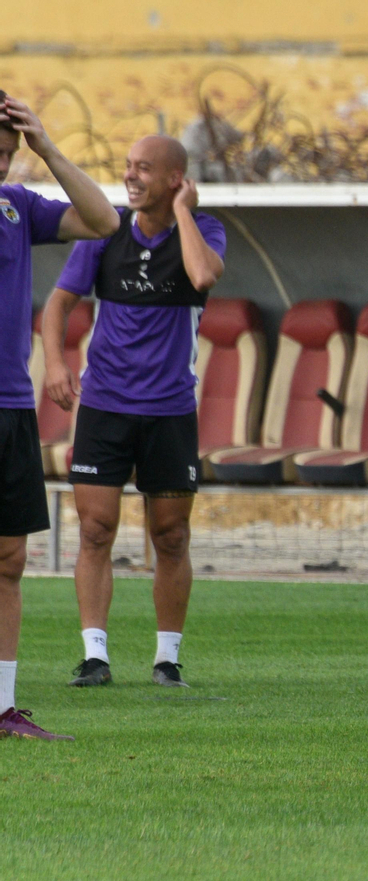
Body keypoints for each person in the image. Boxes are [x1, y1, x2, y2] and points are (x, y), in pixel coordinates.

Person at [40, 135, 227, 690]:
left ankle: (167, 660)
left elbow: (203, 277)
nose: (130, 176)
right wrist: (54, 363)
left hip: (170, 412)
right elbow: (58, 304)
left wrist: (183, 214)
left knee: (171, 537)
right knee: (96, 530)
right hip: (105, 408)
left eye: (143, 168)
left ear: (175, 178)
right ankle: (94, 656)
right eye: (127, 167)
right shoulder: (105, 232)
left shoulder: (205, 230)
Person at [0, 91, 119, 739]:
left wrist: (45, 147)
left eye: (5, 153)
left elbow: (104, 222)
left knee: (10, 559)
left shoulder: (18, 207)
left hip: (10, 405)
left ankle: (1, 707)